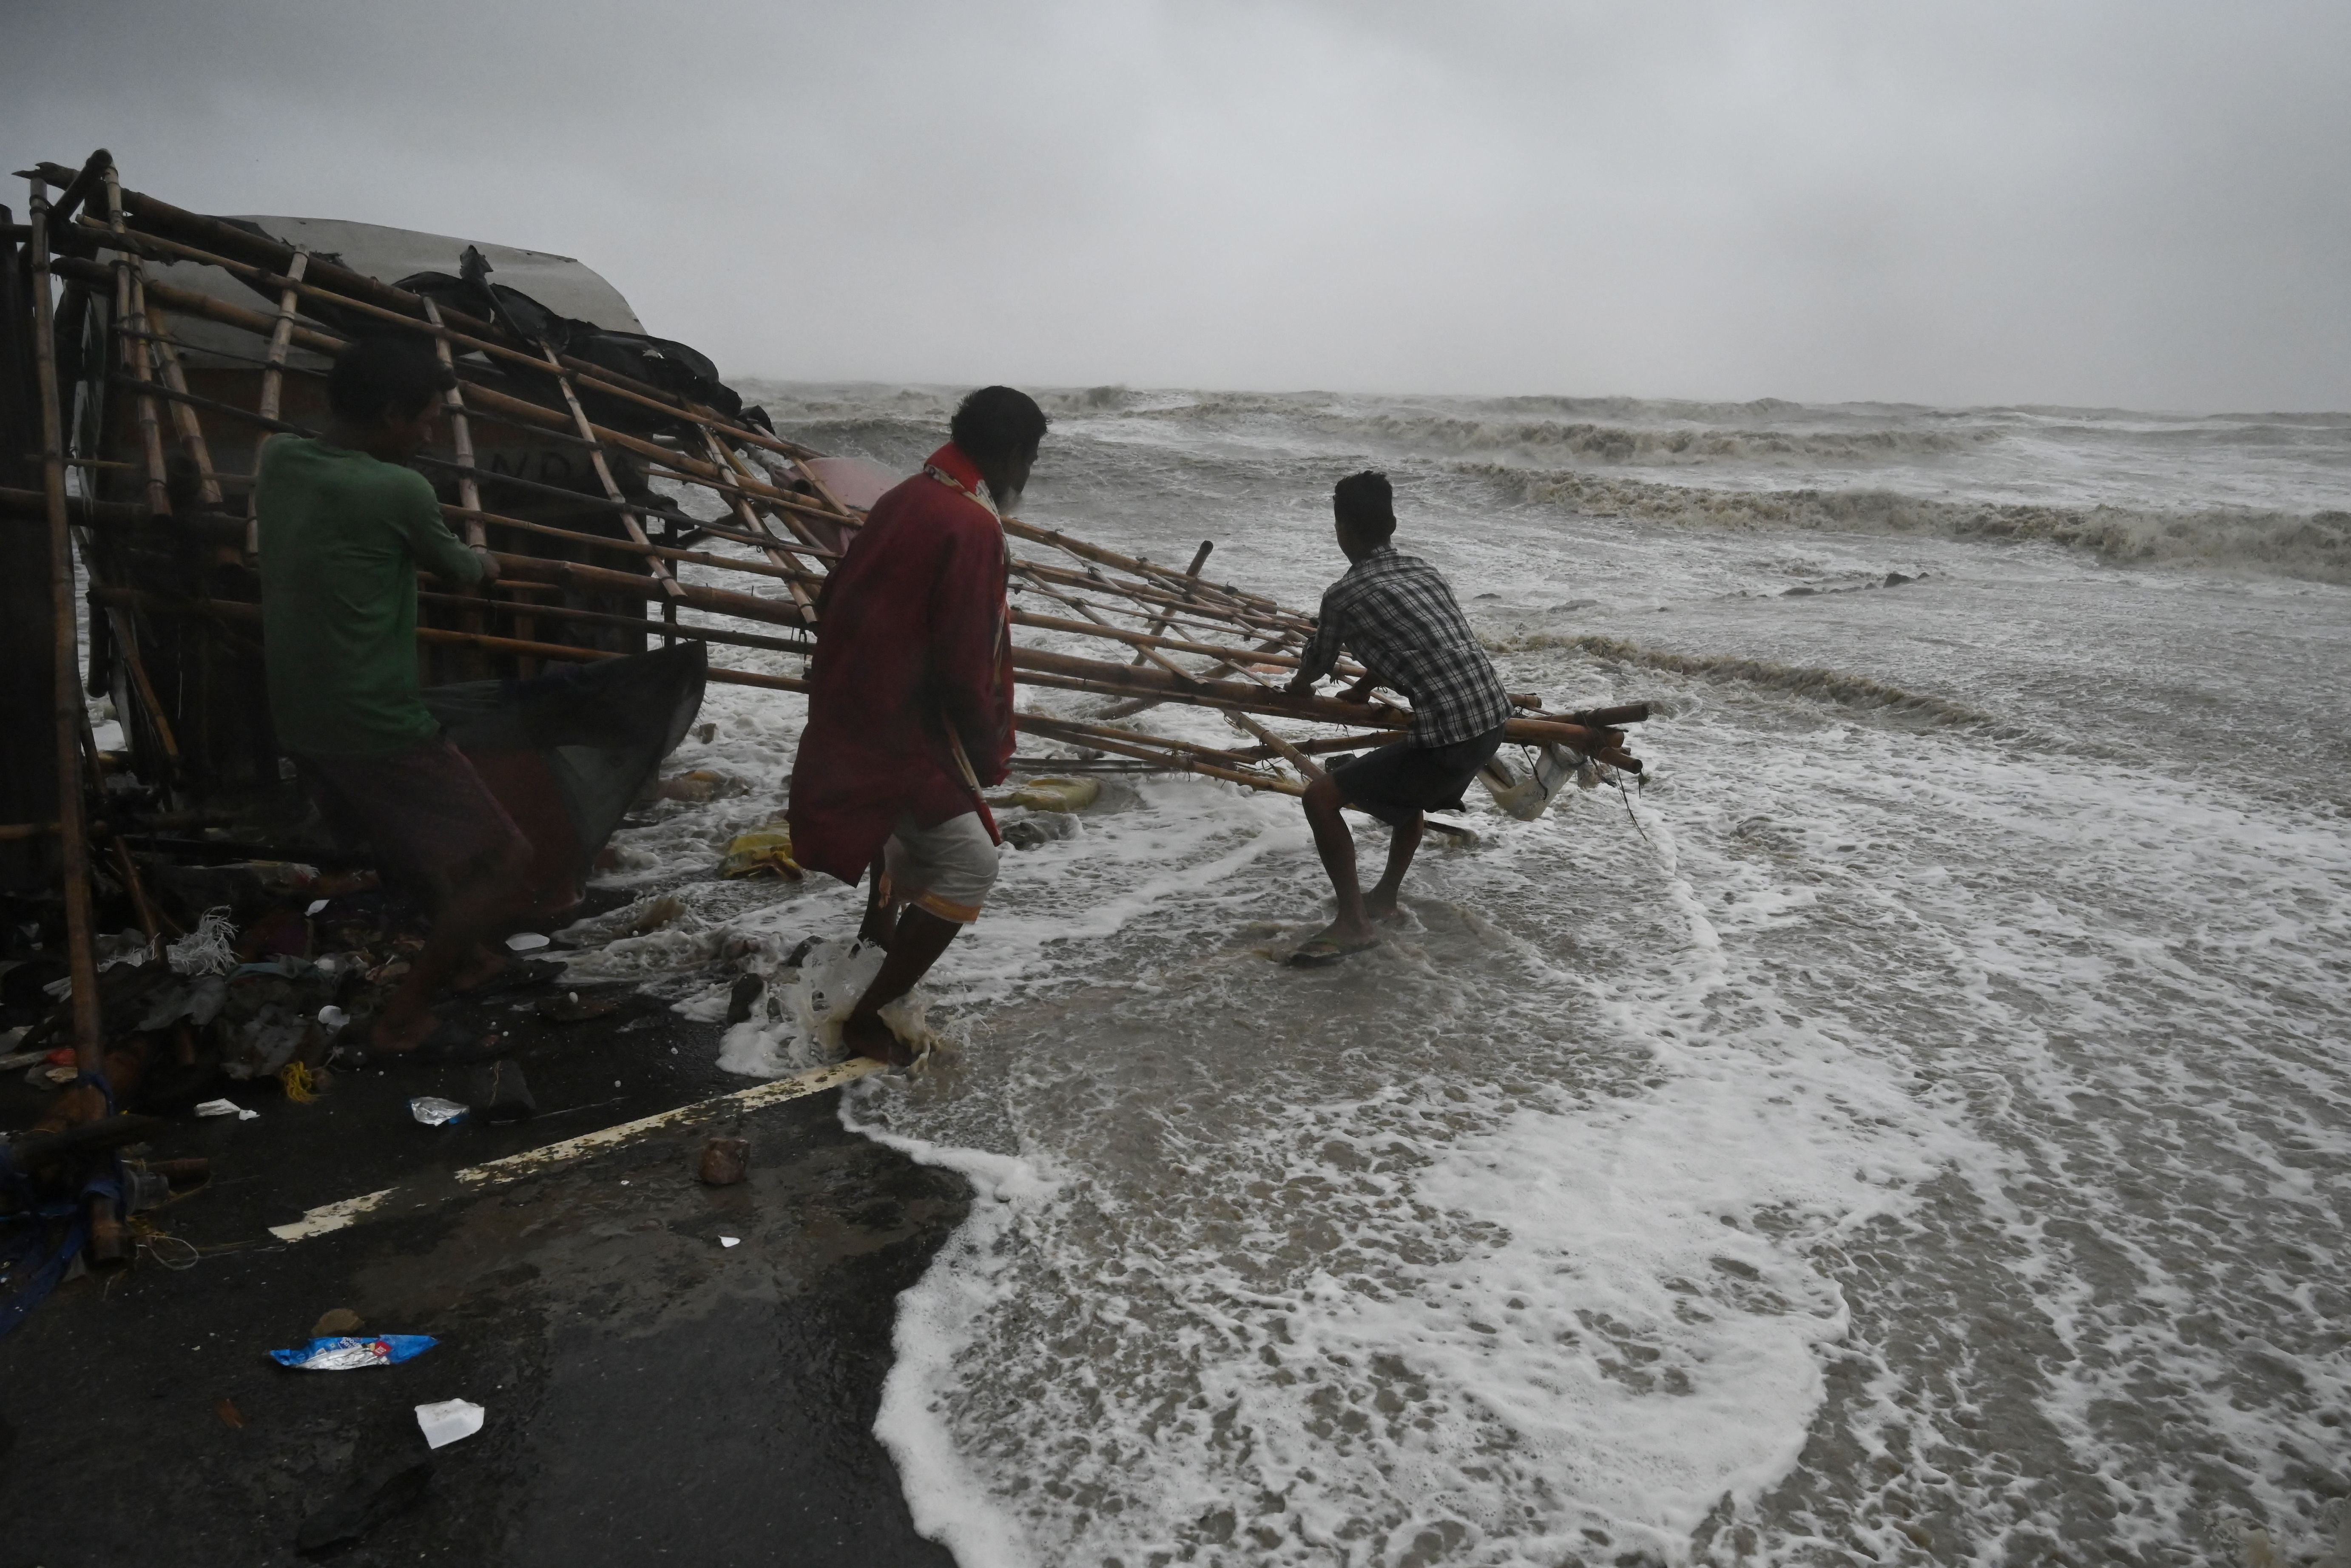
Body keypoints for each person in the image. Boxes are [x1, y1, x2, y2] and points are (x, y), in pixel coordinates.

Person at [255, 335, 531, 1058]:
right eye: (424, 420)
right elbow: (463, 569)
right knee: (504, 856)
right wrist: (495, 560)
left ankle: (466, 957)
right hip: (371, 717)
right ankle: (406, 1012)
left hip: (299, 710)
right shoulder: (396, 488)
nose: (430, 433)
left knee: (406, 837)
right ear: (386, 414)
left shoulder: (278, 460)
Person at [787, 386, 1046, 1064]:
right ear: (1016, 453)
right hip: (902, 731)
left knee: (904, 834)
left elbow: (835, 594)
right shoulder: (969, 523)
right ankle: (868, 1018)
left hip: (856, 711)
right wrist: (987, 747)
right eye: (1031, 458)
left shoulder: (905, 496)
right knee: (971, 864)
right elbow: (965, 657)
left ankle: (874, 942)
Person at [1283, 471, 1514, 965]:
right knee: (1407, 791)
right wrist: (1366, 686)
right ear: (1392, 522)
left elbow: (1318, 663)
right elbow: (1418, 640)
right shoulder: (1423, 571)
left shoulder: (1343, 596)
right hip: (1493, 719)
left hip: (1450, 736)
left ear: (1341, 530)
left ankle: (1354, 924)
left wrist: (1297, 690)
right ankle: (1384, 899)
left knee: (1321, 797)